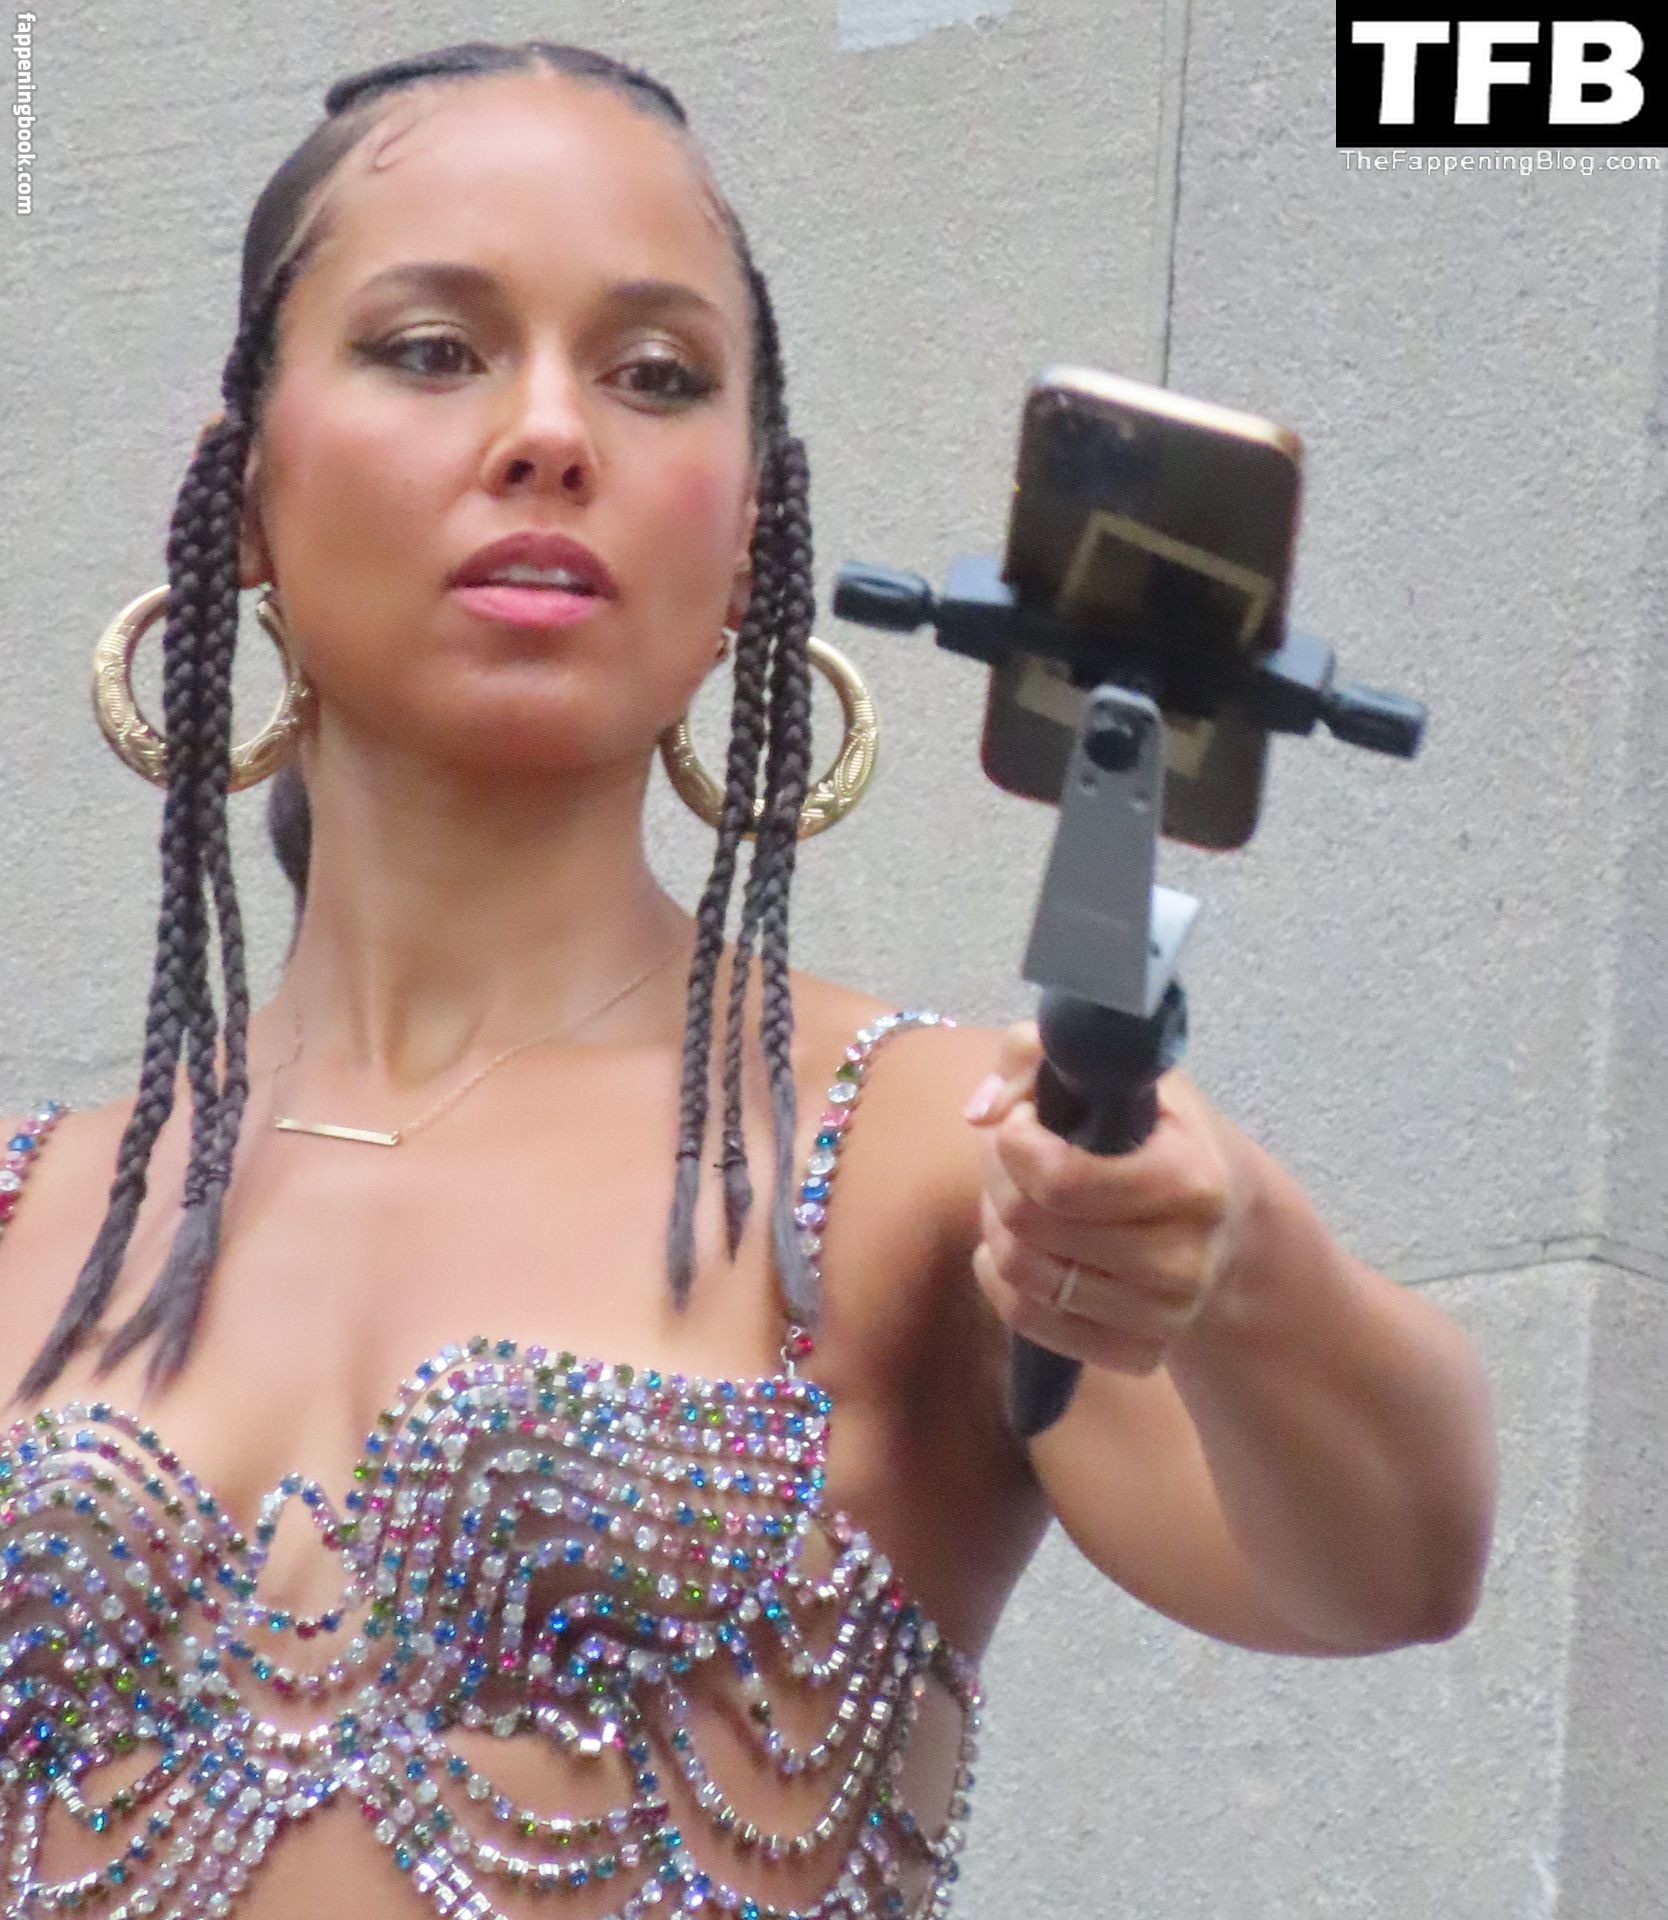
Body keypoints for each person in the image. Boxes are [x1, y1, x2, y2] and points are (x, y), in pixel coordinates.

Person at [0, 39, 1498, 1920]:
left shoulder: (920, 1159)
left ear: (750, 535)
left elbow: (1392, 1564)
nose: (551, 434)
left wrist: (1232, 1257)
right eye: (433, 349)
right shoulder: (31, 1212)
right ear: (241, 485)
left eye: (655, 375)